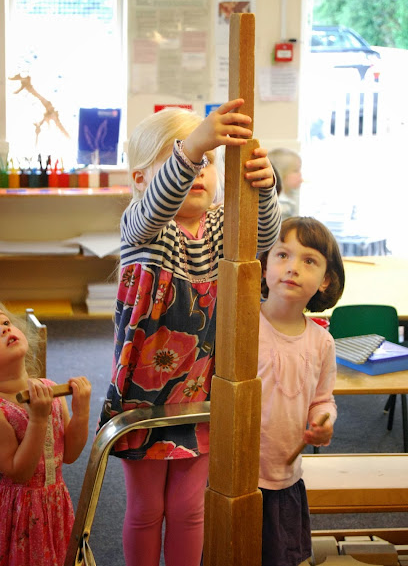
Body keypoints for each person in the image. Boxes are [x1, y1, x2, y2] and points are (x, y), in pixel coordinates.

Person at [97, 98, 281, 566]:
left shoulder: (219, 225)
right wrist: (195, 144)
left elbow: (262, 238)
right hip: (144, 398)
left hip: (203, 391)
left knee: (188, 508)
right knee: (146, 510)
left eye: (208, 162)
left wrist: (264, 191)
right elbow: (156, 208)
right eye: (181, 158)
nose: (199, 168)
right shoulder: (142, 226)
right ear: (141, 179)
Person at [257, 216, 345, 566]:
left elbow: (323, 400)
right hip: (232, 475)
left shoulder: (322, 342)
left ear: (326, 280)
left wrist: (324, 421)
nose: (293, 267)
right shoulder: (243, 324)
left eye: (309, 260)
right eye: (282, 255)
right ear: (264, 265)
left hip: (285, 479)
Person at [0, 303, 92, 566]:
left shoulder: (50, 389)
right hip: (18, 514)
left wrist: (82, 412)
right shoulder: (2, 411)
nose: (5, 330)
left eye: (5, 323)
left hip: (55, 504)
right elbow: (19, 472)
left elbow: (70, 454)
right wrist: (38, 419)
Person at [268, 148, 302, 220]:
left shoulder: (290, 197)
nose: (300, 174)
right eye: (296, 171)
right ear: (280, 173)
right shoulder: (280, 205)